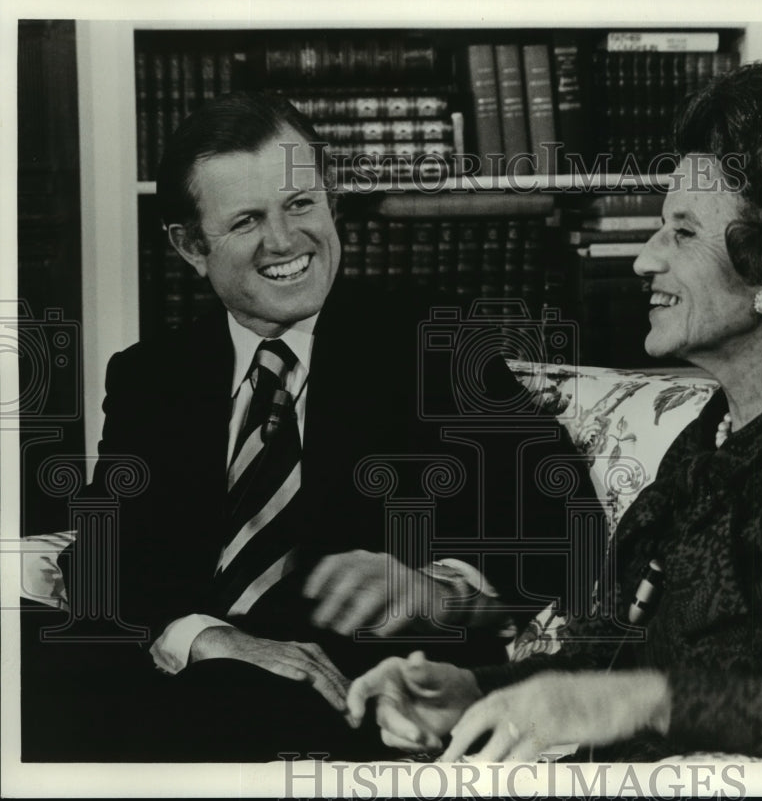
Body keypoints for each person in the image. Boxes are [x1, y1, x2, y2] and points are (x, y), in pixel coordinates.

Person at [346, 63, 762, 762]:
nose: (644, 260)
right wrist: (473, 689)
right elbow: (615, 661)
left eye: (682, 232)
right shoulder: (712, 439)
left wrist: (649, 702)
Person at [25, 92, 595, 761]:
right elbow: (101, 561)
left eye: (301, 204)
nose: (286, 241)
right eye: (247, 220)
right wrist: (205, 638)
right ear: (189, 246)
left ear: (329, 202)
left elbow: (565, 523)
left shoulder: (430, 342)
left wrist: (435, 589)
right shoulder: (153, 376)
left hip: (345, 691)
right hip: (184, 682)